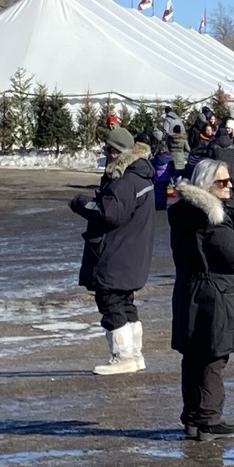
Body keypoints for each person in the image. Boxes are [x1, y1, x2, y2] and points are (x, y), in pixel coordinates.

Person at [168, 158, 234, 441]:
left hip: (190, 291)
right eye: (222, 182)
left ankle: (193, 419)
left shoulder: (183, 213)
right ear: (207, 185)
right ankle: (208, 420)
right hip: (215, 296)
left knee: (194, 358)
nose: (230, 185)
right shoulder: (213, 220)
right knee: (212, 359)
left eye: (229, 180)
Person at [71, 135, 160, 374]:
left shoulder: (127, 181)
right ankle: (134, 354)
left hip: (117, 253)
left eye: (109, 150)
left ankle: (123, 355)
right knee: (124, 300)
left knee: (110, 301)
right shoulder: (140, 177)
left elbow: (108, 213)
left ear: (119, 152)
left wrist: (81, 203)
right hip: (131, 252)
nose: (106, 155)